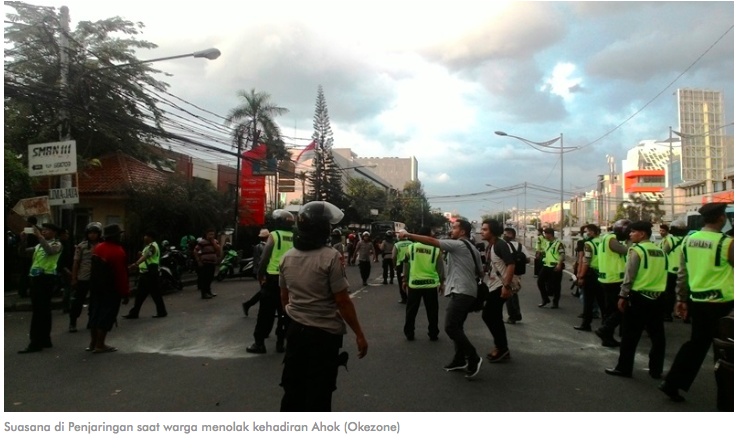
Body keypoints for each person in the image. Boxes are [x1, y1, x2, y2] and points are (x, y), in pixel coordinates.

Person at [279, 201, 368, 411]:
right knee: (319, 393)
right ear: (322, 229)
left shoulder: (286, 257)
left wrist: (294, 318)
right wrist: (359, 334)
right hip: (323, 336)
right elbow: (343, 302)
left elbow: (284, 297)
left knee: (292, 389)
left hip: (295, 333)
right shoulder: (331, 257)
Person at [660, 203, 734, 403]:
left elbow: (682, 273)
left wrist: (681, 299)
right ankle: (726, 401)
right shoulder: (726, 243)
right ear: (721, 218)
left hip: (698, 301)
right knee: (726, 352)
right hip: (723, 304)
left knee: (697, 344)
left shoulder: (689, 241)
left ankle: (672, 383)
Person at [398, 219, 484, 379]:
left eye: (455, 227)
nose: (452, 229)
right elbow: (480, 272)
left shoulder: (458, 244)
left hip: (462, 291)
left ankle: (473, 357)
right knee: (457, 325)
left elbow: (432, 241)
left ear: (463, 232)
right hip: (468, 290)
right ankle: (459, 359)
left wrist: (408, 234)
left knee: (451, 326)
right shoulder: (474, 249)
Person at [605, 221, 667, 379]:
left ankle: (624, 368)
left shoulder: (637, 250)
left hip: (638, 298)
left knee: (630, 336)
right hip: (658, 298)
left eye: (633, 232)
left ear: (643, 234)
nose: (630, 235)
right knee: (658, 336)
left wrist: (623, 295)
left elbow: (629, 276)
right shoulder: (659, 250)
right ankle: (656, 370)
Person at [248, 210, 294, 354]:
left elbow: (265, 257)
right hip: (290, 279)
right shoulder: (295, 236)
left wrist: (260, 275)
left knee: (266, 312)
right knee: (285, 312)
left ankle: (259, 343)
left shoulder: (274, 235)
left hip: (273, 277)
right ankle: (281, 343)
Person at [17, 223, 63, 353]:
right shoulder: (38, 245)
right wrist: (23, 241)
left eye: (47, 230)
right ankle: (45, 340)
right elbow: (23, 253)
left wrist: (39, 237)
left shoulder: (56, 244)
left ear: (54, 233)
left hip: (46, 279)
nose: (44, 232)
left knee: (39, 312)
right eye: (43, 230)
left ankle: (35, 343)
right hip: (36, 278)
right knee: (43, 311)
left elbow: (50, 251)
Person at [88, 224, 129, 353]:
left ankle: (93, 343)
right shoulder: (118, 251)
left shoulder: (98, 248)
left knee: (94, 314)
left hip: (95, 287)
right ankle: (100, 344)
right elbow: (121, 274)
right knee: (106, 316)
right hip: (110, 289)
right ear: (115, 237)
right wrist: (125, 292)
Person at [481, 220, 516, 362]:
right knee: (493, 317)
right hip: (493, 285)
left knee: (489, 315)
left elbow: (511, 264)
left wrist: (506, 287)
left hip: (500, 287)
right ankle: (501, 347)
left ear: (493, 231)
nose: (481, 232)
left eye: (485, 229)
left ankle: (502, 348)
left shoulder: (500, 245)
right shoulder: (491, 245)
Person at [402, 226, 445, 341]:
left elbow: (406, 265)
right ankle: (433, 333)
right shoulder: (435, 250)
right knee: (432, 311)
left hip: (414, 284)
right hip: (430, 284)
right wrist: (442, 283)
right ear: (428, 236)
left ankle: (409, 333)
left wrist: (404, 280)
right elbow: (440, 268)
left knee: (411, 310)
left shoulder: (410, 248)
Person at [595, 220, 631, 347]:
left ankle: (607, 337)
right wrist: (630, 241)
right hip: (614, 279)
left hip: (607, 278)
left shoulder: (606, 238)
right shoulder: (611, 239)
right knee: (621, 308)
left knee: (610, 309)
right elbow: (626, 250)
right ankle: (605, 329)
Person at [123, 230, 167, 319]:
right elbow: (144, 257)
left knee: (155, 294)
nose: (144, 238)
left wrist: (136, 264)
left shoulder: (153, 246)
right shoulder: (148, 246)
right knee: (140, 295)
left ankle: (162, 311)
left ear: (150, 237)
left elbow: (147, 256)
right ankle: (134, 313)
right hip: (144, 273)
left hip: (150, 274)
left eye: (146, 236)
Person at [69, 222, 103, 332]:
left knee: (95, 302)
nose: (92, 235)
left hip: (97, 278)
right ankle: (72, 322)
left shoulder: (102, 246)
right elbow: (76, 263)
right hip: (83, 277)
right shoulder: (82, 246)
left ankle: (92, 322)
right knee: (78, 302)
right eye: (90, 233)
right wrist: (74, 278)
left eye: (95, 233)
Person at [574, 224, 604, 331]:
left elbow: (586, 261)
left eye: (589, 231)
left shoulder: (589, 244)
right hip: (603, 274)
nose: (587, 233)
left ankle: (586, 324)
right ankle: (605, 326)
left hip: (591, 274)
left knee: (588, 301)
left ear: (595, 232)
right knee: (602, 301)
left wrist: (581, 276)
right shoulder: (603, 242)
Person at [661, 219, 687, 322]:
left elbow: (663, 253)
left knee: (670, 294)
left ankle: (667, 314)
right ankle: (686, 316)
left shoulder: (670, 240)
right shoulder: (687, 239)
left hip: (671, 270)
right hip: (685, 271)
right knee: (685, 293)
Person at [242, 228, 269, 317]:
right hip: (264, 272)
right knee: (264, 292)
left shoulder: (266, 245)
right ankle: (249, 304)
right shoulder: (260, 247)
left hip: (266, 271)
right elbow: (258, 261)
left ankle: (250, 305)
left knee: (265, 291)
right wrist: (260, 273)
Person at [536, 228, 565, 308]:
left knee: (556, 285)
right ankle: (545, 299)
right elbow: (547, 251)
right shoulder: (547, 243)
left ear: (550, 234)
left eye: (546, 234)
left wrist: (559, 264)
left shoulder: (558, 243)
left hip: (555, 266)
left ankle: (555, 302)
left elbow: (562, 254)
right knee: (540, 282)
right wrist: (540, 253)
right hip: (546, 265)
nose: (545, 236)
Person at [502, 227, 526, 324]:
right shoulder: (521, 246)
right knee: (513, 294)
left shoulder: (505, 246)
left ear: (512, 235)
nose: (505, 235)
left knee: (508, 294)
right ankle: (516, 314)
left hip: (508, 273)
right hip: (518, 273)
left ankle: (513, 316)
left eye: (507, 233)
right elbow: (528, 259)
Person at [194, 229, 221, 300]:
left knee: (210, 278)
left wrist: (213, 242)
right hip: (205, 262)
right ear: (206, 235)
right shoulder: (202, 242)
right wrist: (198, 261)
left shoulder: (215, 241)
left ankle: (209, 291)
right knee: (205, 278)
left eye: (212, 234)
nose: (211, 236)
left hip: (212, 262)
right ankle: (204, 293)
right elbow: (195, 251)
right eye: (210, 234)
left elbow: (218, 249)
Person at [17, 216, 40, 300]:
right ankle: (28, 291)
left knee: (25, 274)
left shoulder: (28, 230)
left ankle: (23, 291)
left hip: (27, 255)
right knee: (30, 274)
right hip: (33, 255)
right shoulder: (37, 231)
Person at [393, 234, 414, 304]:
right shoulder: (411, 243)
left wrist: (394, 265)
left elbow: (393, 256)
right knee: (411, 280)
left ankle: (404, 298)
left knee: (401, 281)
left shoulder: (397, 244)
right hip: (411, 264)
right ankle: (412, 297)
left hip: (400, 264)